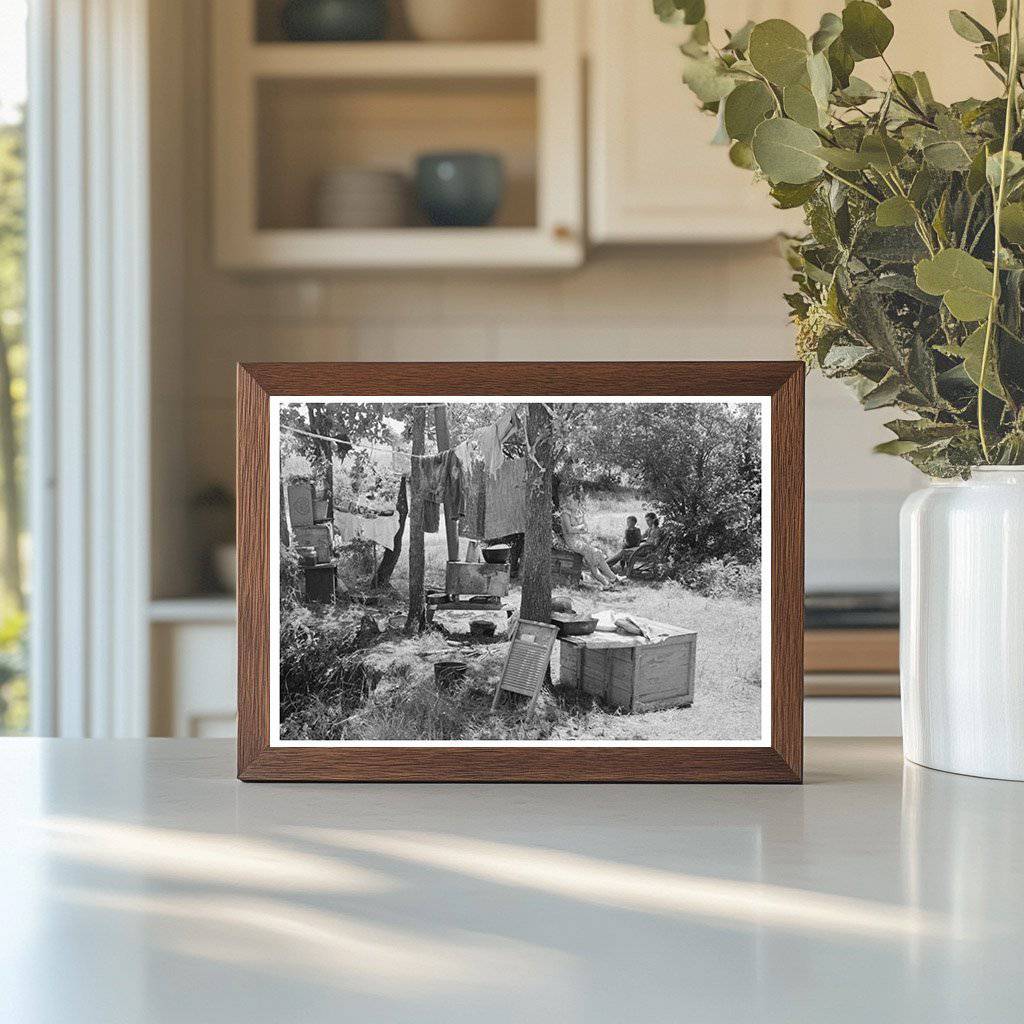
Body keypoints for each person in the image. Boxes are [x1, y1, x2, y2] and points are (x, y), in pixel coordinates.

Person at [559, 497, 622, 588]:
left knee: (594, 560)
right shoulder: (565, 514)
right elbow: (569, 530)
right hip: (572, 542)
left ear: (577, 502)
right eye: (567, 501)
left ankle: (607, 584)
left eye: (571, 501)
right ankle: (613, 578)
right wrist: (580, 527)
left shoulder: (578, 513)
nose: (568, 503)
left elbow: (586, 529)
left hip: (580, 540)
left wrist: (580, 529)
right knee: (596, 553)